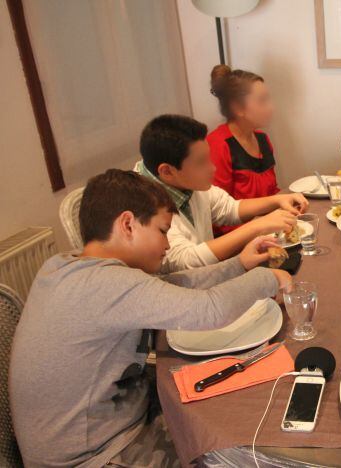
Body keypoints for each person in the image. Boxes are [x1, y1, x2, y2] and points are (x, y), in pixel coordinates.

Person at [9, 169, 293, 467]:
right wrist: (267, 278)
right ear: (128, 224)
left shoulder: (68, 266)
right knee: (227, 445)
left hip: (91, 432)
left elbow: (167, 287)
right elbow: (209, 310)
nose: (168, 245)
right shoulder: (108, 285)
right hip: (92, 456)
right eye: (162, 230)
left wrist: (238, 265)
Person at [136, 114, 309, 272]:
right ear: (167, 171)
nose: (212, 168)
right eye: (201, 162)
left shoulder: (182, 181)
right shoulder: (141, 205)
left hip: (210, 279)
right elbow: (183, 262)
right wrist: (258, 225)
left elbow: (227, 208)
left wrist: (278, 200)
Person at [207, 65, 279, 208]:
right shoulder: (218, 145)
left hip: (270, 224)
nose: (271, 107)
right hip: (240, 229)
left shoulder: (262, 139)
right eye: (262, 101)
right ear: (238, 108)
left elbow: (272, 193)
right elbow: (218, 210)